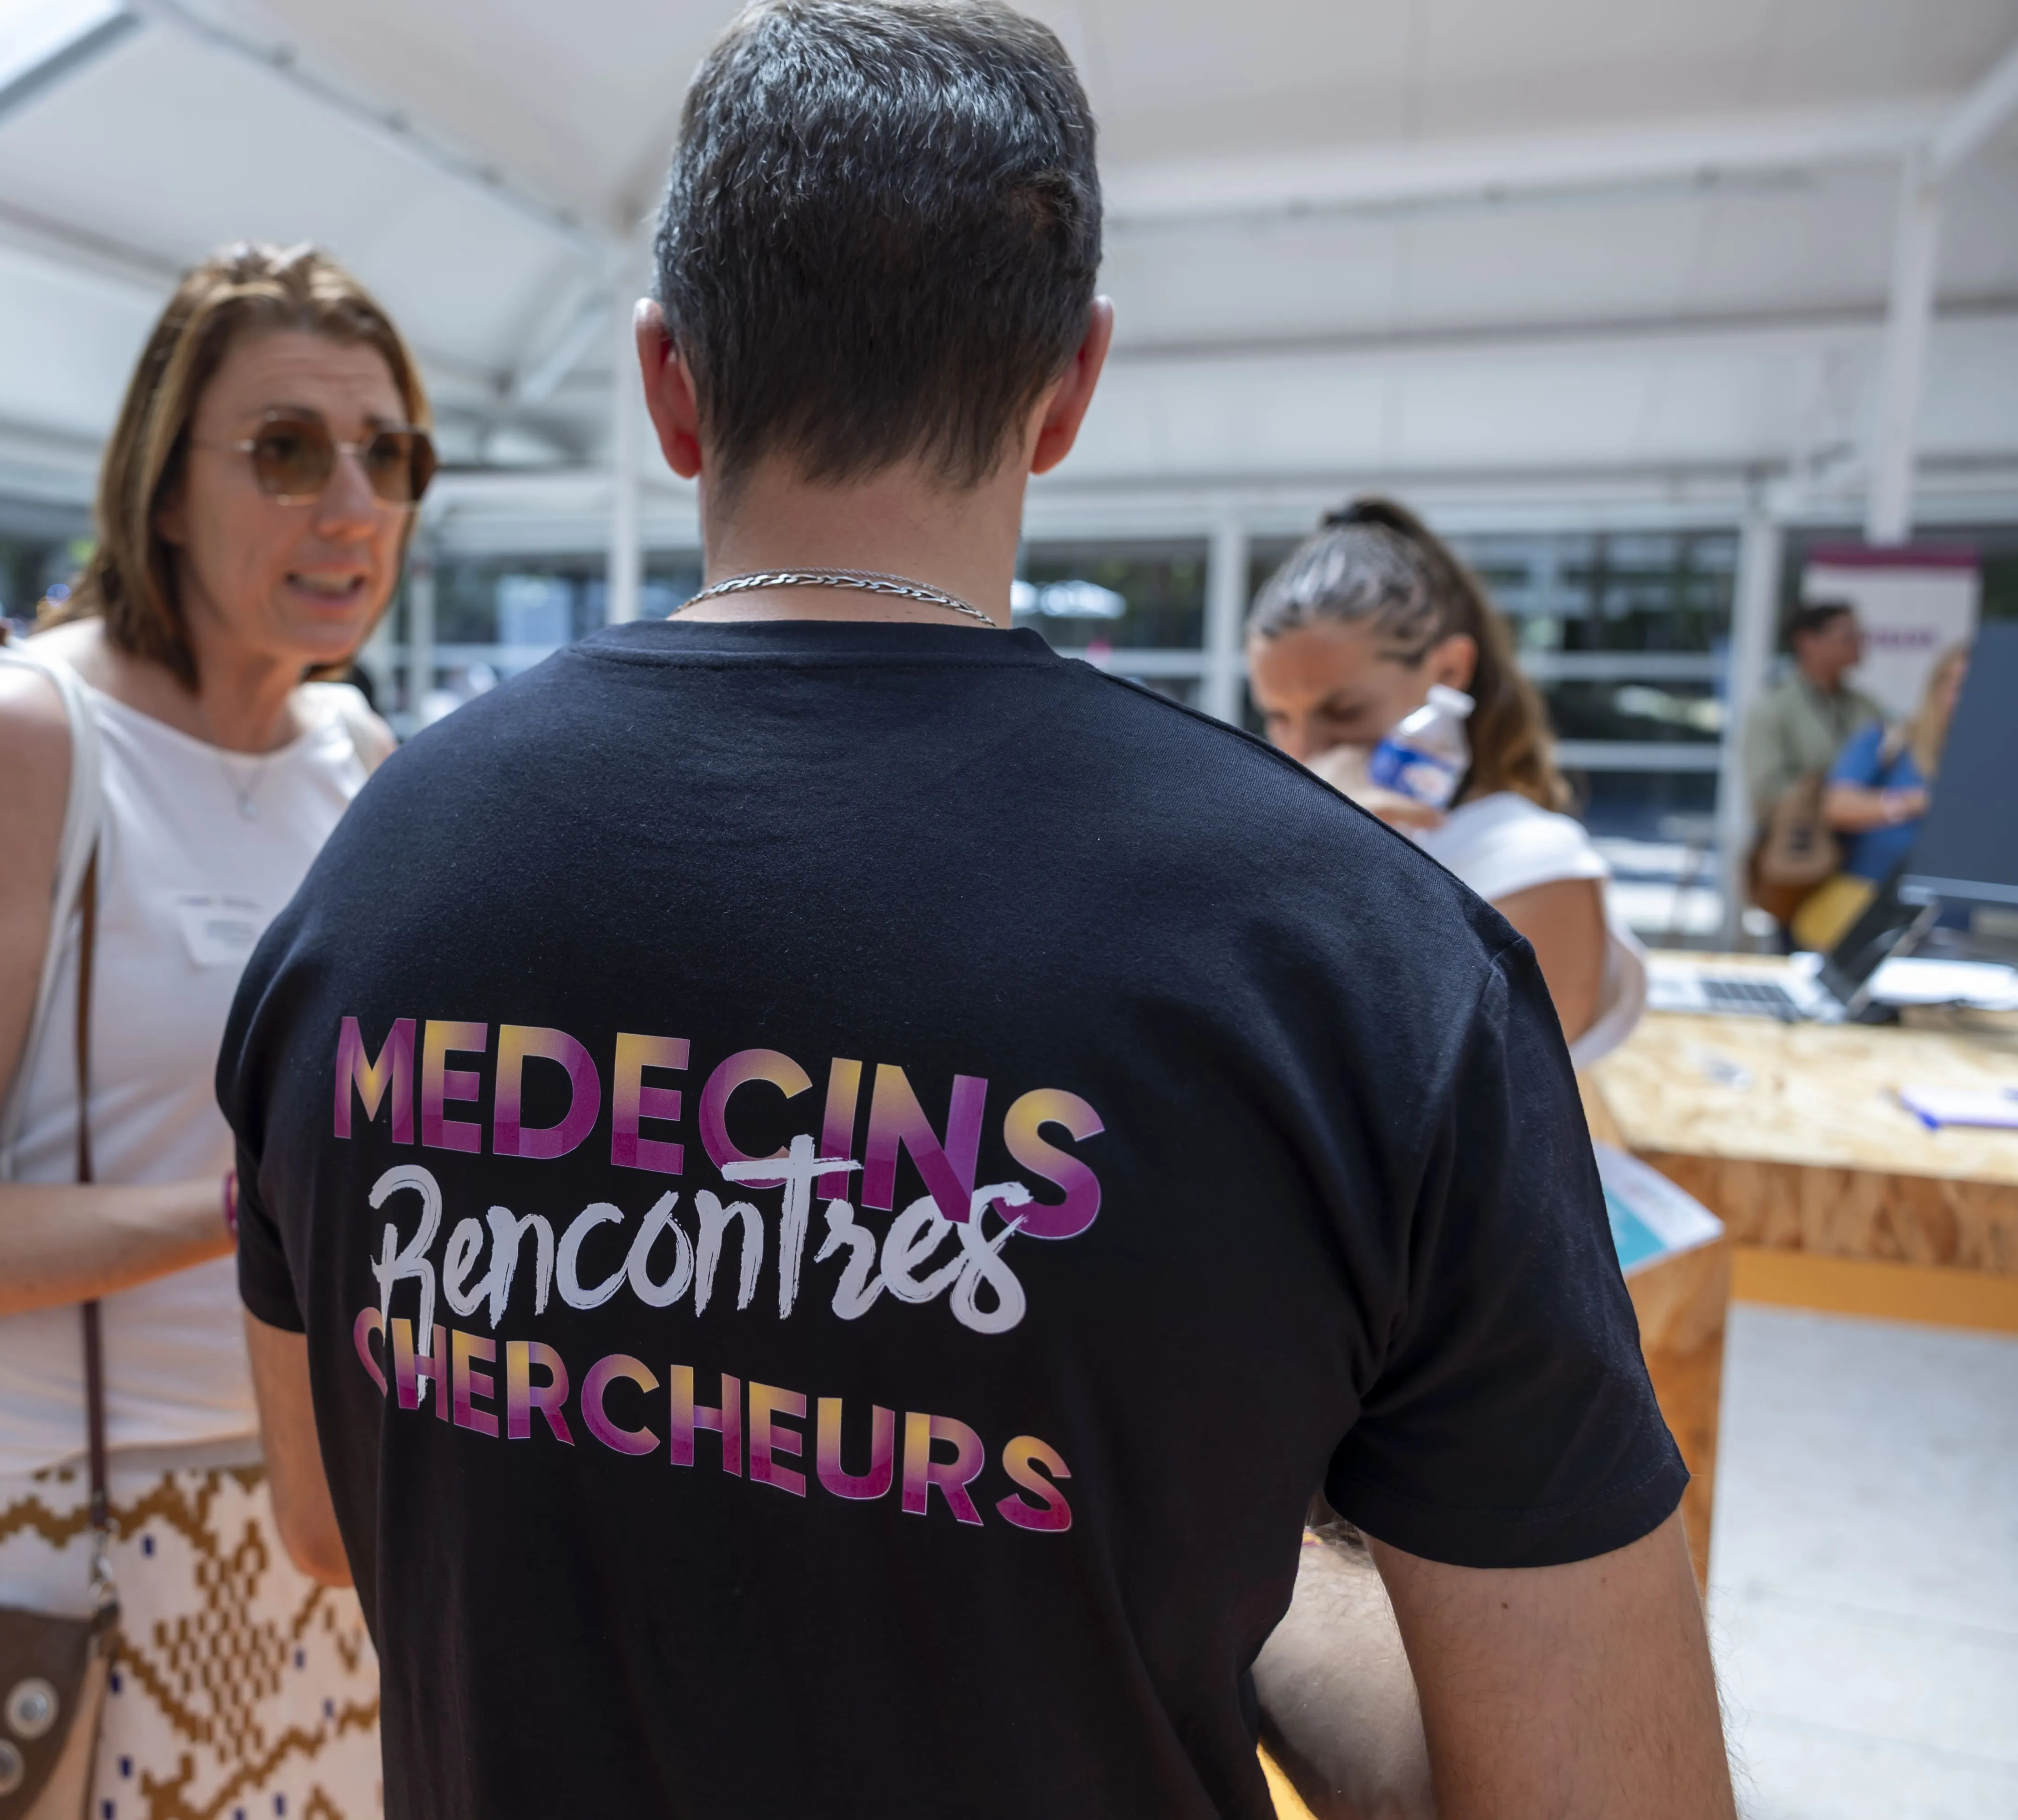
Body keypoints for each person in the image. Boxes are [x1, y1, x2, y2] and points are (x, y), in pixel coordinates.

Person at [219, 5, 1732, 1816]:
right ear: (1070, 385)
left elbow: (323, 1516)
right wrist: (1185, 1540)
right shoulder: (1368, 964)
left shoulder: (368, 882)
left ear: (669, 384)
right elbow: (1596, 1787)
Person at [0, 243, 420, 1820]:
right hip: (60, 1533)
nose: (350, 503)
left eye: (389, 453)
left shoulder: (359, 753)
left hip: (321, 1522)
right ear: (161, 487)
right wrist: (256, 1212)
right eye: (286, 450)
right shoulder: (17, 733)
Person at [1244, 496, 1650, 1067]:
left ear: (1449, 672)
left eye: (1345, 713)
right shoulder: (1280, 832)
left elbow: (1443, 1108)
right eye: (1278, 716)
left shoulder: (1537, 864)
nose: (1305, 755)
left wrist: (1328, 847)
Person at [1795, 641, 1970, 950]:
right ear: (1937, 687)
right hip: (1866, 909)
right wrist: (1918, 802)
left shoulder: (1994, 761)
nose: (1965, 696)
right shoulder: (1891, 740)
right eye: (1956, 685)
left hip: (1950, 921)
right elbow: (1837, 806)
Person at [1741, 600, 1882, 869]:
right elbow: (1765, 791)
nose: (1859, 643)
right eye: (1848, 636)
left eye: (1860, 636)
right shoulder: (1774, 710)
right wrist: (1835, 804)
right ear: (1807, 642)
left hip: (1862, 853)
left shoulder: (1867, 707)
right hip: (1801, 857)